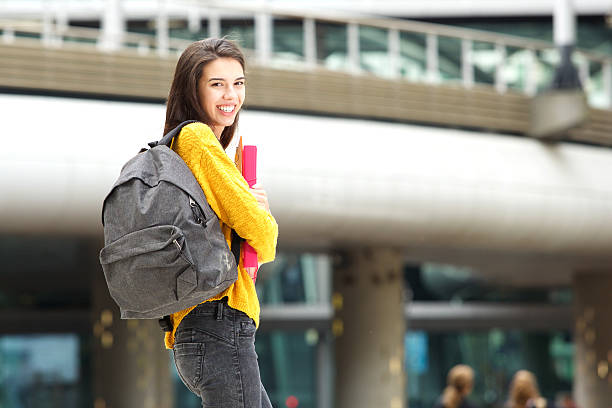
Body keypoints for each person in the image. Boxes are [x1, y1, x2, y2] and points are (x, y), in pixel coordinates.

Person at [162, 37, 278, 407]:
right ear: (192, 89)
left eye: (238, 83)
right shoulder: (197, 139)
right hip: (218, 324)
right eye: (217, 84)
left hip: (210, 329)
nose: (231, 95)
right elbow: (262, 235)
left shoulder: (186, 145)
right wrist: (262, 213)